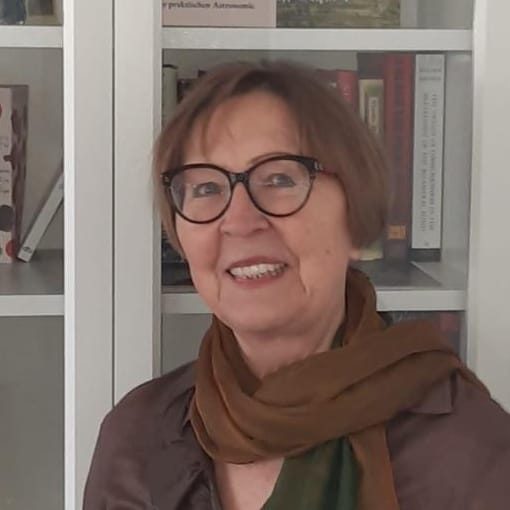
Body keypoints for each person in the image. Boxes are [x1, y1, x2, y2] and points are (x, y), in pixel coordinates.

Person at [83, 60, 510, 510]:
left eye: (280, 179)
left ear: (355, 216)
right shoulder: (136, 439)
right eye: (206, 188)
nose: (239, 221)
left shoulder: (469, 451)